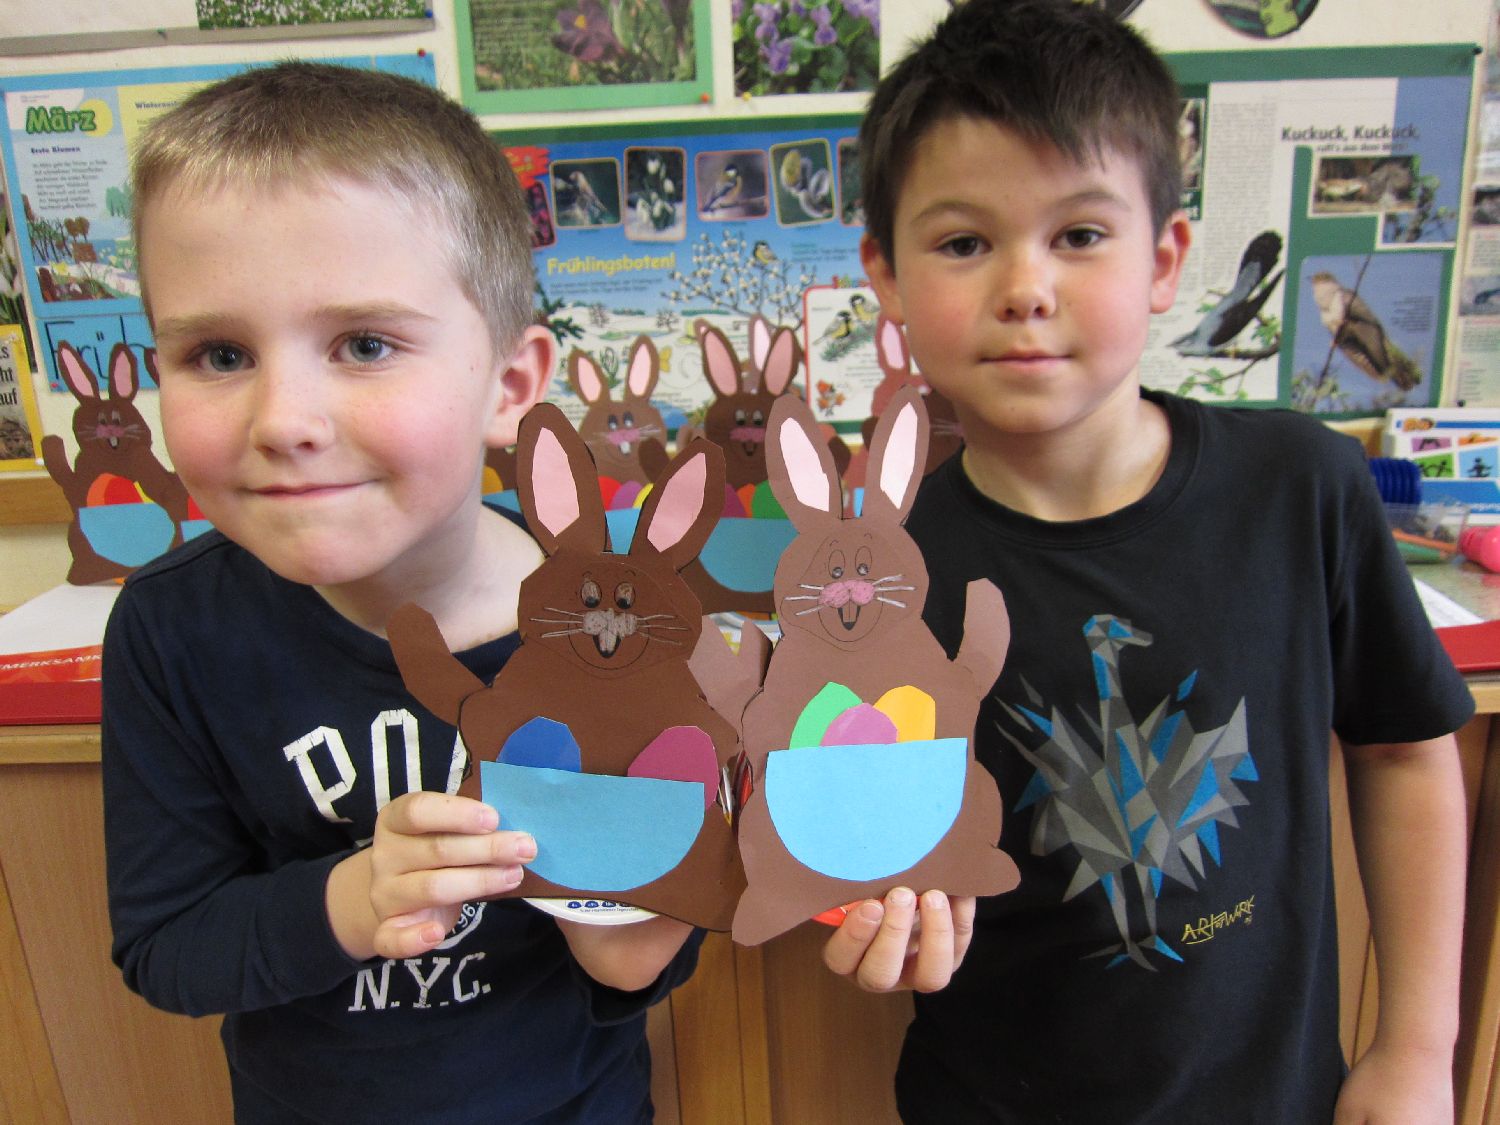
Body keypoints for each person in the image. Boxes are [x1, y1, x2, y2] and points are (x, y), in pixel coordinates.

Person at [823, 1, 1472, 1121]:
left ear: (1166, 260)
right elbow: (860, 838)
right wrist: (867, 913)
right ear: (885, 275)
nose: (1025, 287)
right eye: (964, 242)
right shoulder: (876, 572)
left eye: (1079, 234)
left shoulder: (1302, 488)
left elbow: (1405, 752)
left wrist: (1417, 1048)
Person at [103, 61, 699, 1123]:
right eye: (219, 353)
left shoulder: (625, 626)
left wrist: (638, 925)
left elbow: (636, 965)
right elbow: (167, 946)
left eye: (366, 345)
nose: (283, 419)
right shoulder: (170, 631)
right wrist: (354, 898)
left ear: (509, 387)